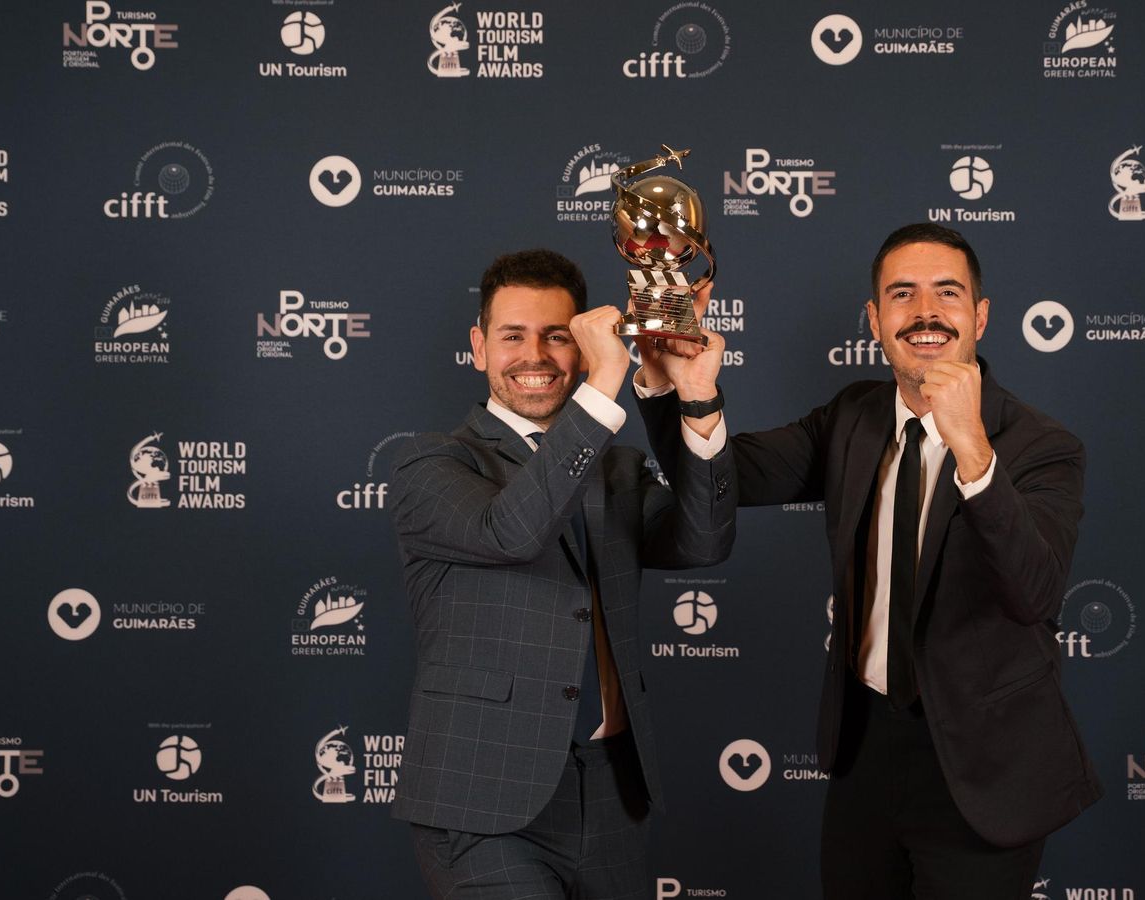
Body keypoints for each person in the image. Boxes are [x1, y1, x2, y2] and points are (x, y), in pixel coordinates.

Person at [637, 223, 1102, 899]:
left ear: (980, 316)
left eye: (947, 293)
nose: (925, 312)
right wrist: (682, 388)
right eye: (902, 295)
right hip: (865, 756)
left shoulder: (1043, 447)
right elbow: (721, 478)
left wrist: (971, 447)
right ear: (875, 320)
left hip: (982, 769)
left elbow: (1033, 593)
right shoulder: (852, 418)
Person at [389, 249, 735, 900]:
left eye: (557, 335)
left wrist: (693, 397)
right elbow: (513, 531)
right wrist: (605, 387)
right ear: (478, 347)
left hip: (610, 792)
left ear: (581, 344)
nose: (535, 355)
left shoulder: (619, 468)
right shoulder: (429, 466)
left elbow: (704, 545)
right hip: (481, 801)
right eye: (512, 335)